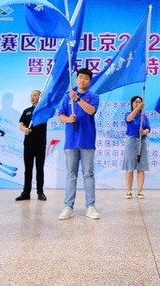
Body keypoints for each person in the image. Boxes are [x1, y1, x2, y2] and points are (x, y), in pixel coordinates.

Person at [57, 68, 100, 220]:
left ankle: (91, 206)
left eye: (86, 78)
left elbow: (91, 111)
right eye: (80, 77)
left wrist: (77, 99)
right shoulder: (67, 96)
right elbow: (61, 115)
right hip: (71, 141)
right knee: (71, 175)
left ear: (90, 81)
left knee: (88, 174)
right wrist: (69, 120)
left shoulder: (93, 96)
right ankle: (68, 206)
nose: (82, 80)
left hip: (87, 140)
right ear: (76, 79)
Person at [16, 90, 47, 201]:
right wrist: (25, 129)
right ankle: (26, 192)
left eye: (35, 95)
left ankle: (40, 192)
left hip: (40, 144)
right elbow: (21, 124)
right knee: (28, 169)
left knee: (40, 169)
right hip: (29, 144)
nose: (32, 97)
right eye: (31, 96)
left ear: (40, 96)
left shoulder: (43, 110)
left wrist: (44, 101)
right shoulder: (27, 111)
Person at [123, 96, 151, 199]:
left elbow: (148, 128)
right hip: (131, 141)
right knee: (130, 167)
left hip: (142, 141)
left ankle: (139, 191)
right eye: (136, 102)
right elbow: (129, 119)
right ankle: (129, 191)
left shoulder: (144, 116)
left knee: (141, 167)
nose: (138, 103)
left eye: (139, 102)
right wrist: (137, 109)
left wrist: (144, 132)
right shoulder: (129, 114)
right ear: (132, 104)